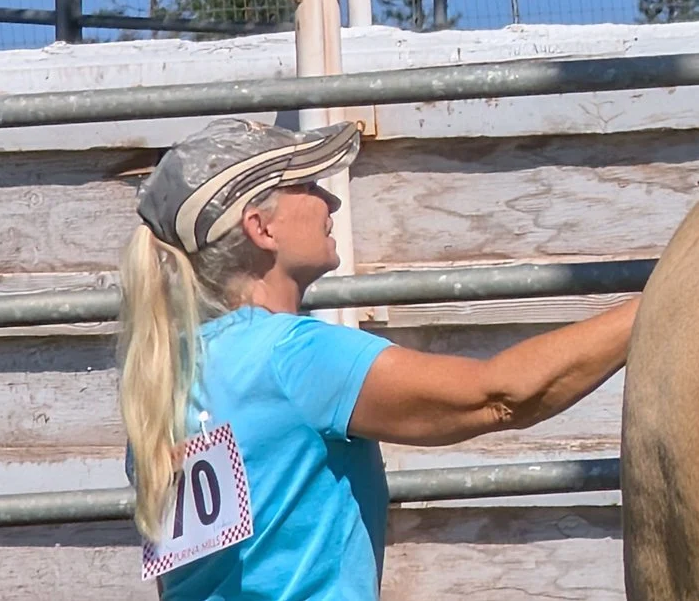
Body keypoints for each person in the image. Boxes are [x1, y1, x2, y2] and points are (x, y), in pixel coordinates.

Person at [117, 117, 637, 599]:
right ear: (261, 227)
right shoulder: (294, 356)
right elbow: (503, 396)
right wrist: (659, 303)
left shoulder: (164, 380)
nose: (330, 202)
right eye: (307, 185)